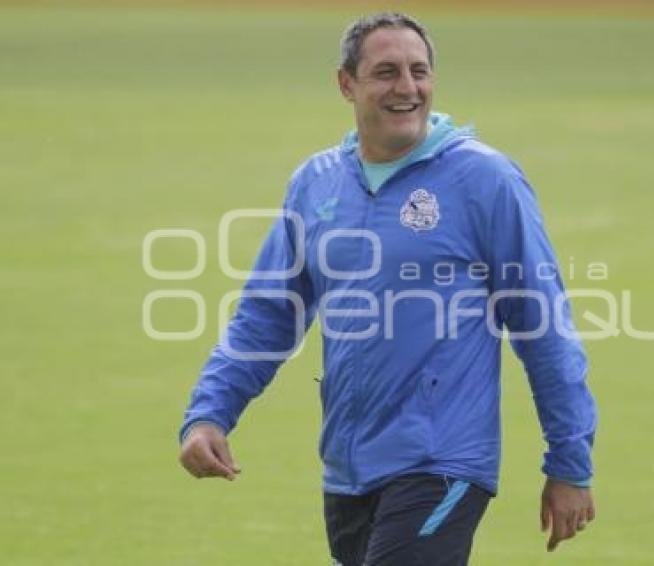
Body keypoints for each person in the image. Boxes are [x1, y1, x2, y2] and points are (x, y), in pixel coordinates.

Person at [179, 12, 596, 565]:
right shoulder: (316, 183)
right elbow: (267, 316)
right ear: (346, 84)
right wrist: (210, 412)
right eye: (386, 72)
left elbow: (543, 326)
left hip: (441, 463)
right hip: (348, 469)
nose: (407, 88)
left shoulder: (484, 181)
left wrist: (568, 462)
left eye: (419, 71)